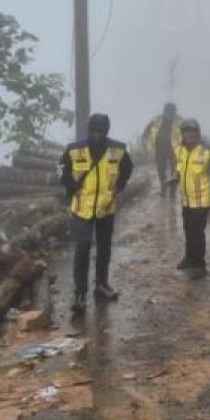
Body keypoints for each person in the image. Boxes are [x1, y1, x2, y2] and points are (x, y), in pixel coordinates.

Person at [59, 113, 134, 316]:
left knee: (104, 248)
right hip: (82, 208)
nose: (97, 135)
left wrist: (118, 187)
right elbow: (62, 172)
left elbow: (128, 168)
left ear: (107, 131)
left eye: (101, 131)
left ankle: (101, 284)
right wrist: (72, 187)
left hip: (105, 207)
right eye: (94, 131)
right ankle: (80, 293)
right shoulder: (75, 149)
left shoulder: (117, 150)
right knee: (82, 247)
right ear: (88, 130)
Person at [171, 118, 210, 279]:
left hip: (202, 201)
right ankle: (189, 257)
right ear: (182, 133)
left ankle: (200, 265)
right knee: (187, 229)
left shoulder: (206, 151)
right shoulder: (181, 149)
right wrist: (175, 178)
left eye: (192, 131)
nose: (189, 135)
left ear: (197, 133)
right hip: (186, 200)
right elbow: (180, 169)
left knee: (197, 232)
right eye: (186, 131)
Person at [142, 103, 183, 197]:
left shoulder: (180, 121)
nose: (169, 114)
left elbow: (186, 133)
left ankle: (172, 191)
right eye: (167, 111)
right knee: (161, 169)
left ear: (175, 112)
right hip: (159, 148)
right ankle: (163, 187)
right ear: (164, 112)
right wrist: (144, 141)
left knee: (175, 170)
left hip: (174, 149)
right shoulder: (157, 120)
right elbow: (147, 131)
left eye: (171, 112)